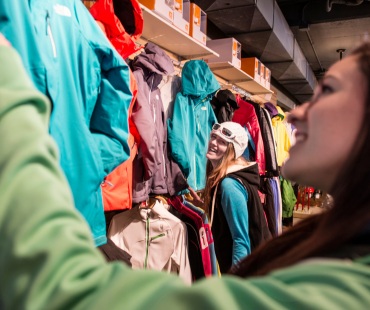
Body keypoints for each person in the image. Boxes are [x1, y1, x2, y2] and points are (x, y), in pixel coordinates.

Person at [1, 32, 370, 309]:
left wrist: (11, 99)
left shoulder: (346, 285)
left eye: (329, 91)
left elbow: (84, 293)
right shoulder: (334, 247)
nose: (297, 113)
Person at [203, 122, 271, 273]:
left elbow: (241, 240)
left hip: (252, 270)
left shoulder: (229, 185)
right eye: (213, 137)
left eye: (222, 142)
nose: (213, 143)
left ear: (233, 150)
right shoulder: (229, 177)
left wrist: (234, 283)